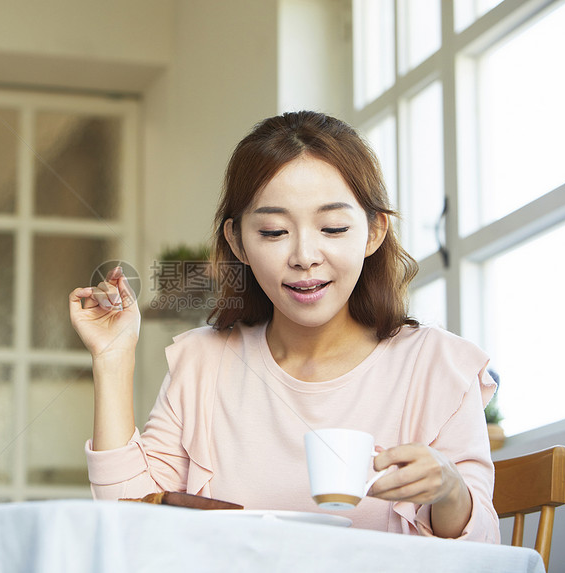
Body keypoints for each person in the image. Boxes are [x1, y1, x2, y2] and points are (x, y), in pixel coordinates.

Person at [68, 111, 500, 542]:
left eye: (332, 227)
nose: (304, 255)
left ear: (373, 232)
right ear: (238, 241)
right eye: (274, 232)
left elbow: (486, 558)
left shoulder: (437, 366)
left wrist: (450, 492)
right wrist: (112, 360)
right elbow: (130, 526)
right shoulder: (203, 364)